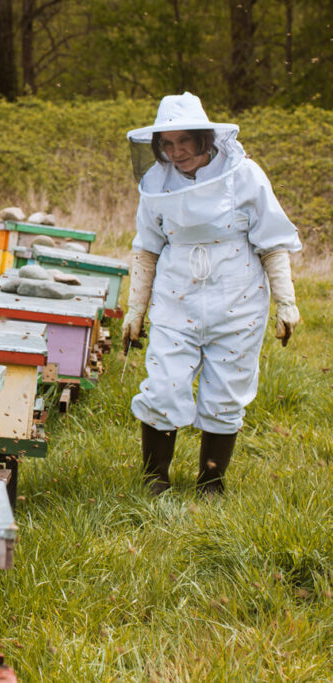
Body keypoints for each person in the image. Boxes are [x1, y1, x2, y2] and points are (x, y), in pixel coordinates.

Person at [121, 92, 302, 495]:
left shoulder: (246, 175)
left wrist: (286, 302)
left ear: (204, 138)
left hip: (238, 298)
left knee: (226, 391)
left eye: (184, 141)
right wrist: (135, 309)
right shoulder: (154, 182)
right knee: (163, 384)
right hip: (176, 295)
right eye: (166, 144)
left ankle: (211, 483)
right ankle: (154, 481)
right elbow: (147, 247)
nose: (176, 151)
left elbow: (273, 242)